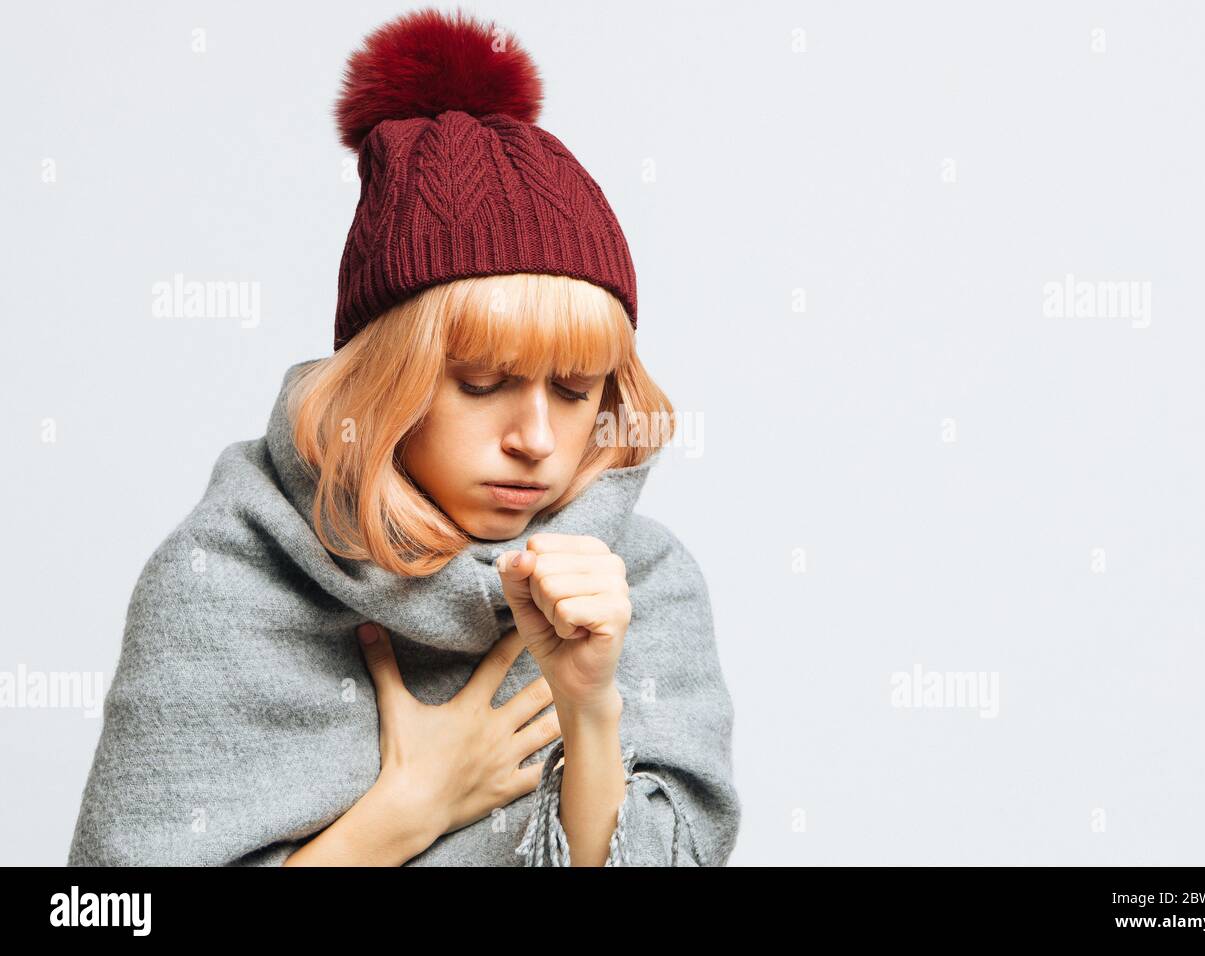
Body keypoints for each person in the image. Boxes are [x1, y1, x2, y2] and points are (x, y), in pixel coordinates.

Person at [66, 7, 740, 867]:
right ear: (385, 384)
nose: (536, 438)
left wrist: (590, 709)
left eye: (574, 392)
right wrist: (406, 813)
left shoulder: (641, 586)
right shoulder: (221, 580)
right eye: (482, 384)